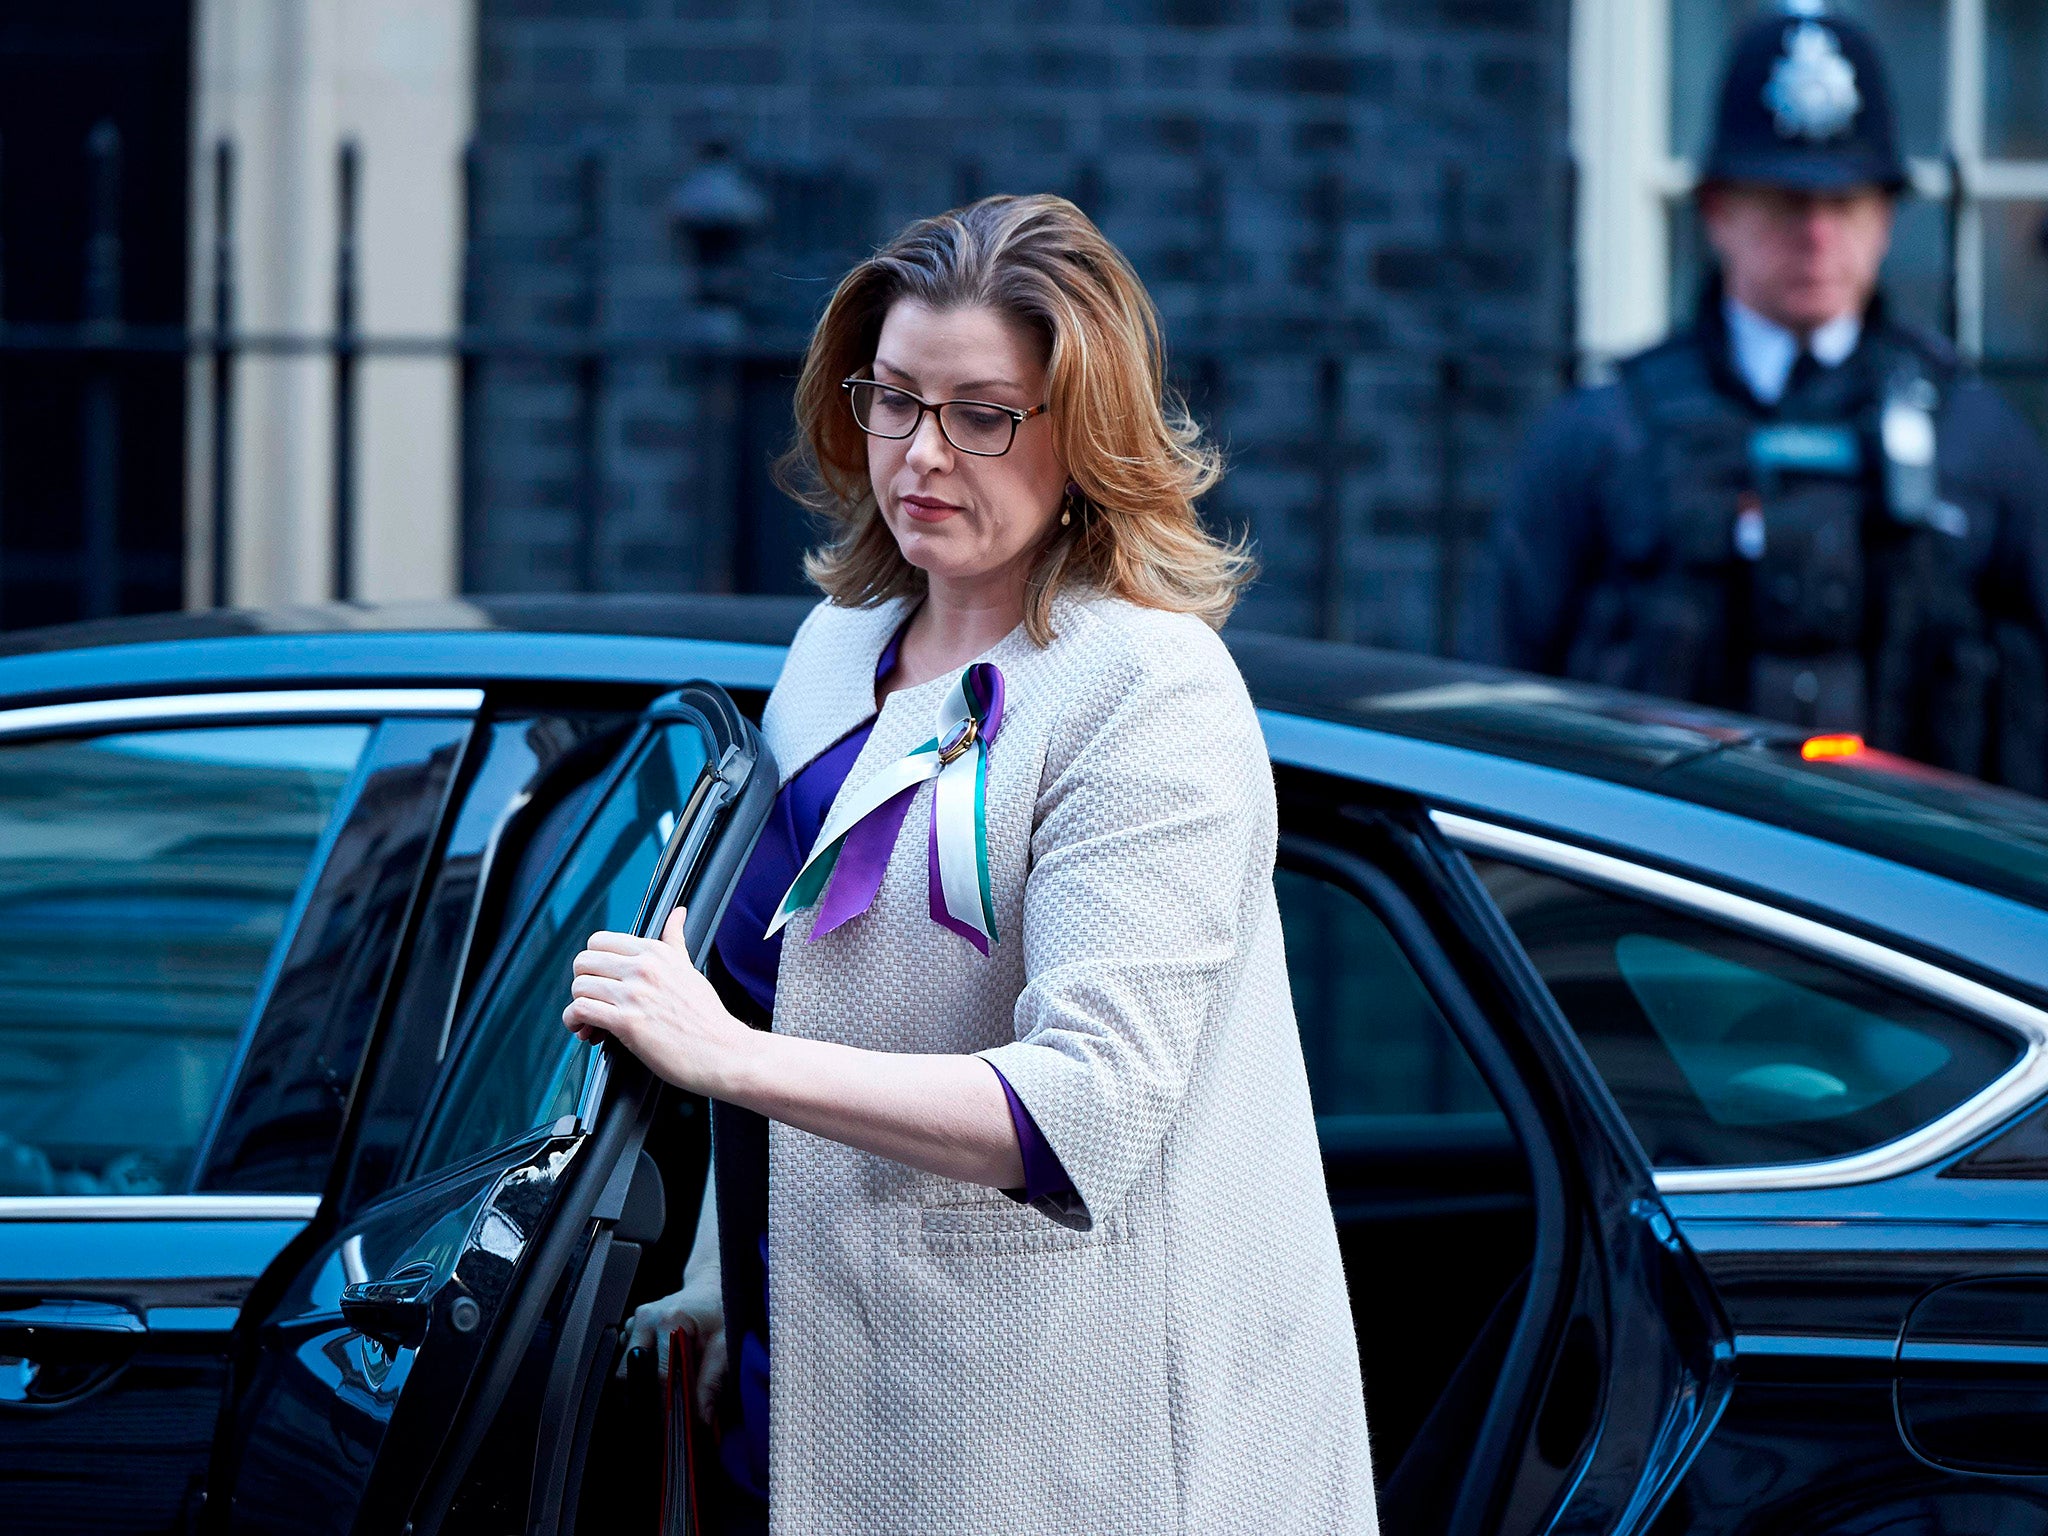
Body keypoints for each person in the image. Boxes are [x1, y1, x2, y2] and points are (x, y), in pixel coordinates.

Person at [563, 194, 1377, 1534]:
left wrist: (718, 1058)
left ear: (1086, 431)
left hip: (1066, 1437)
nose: (922, 454)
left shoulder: (1149, 688)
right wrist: (717, 1271)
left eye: (983, 414)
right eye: (892, 399)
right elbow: (788, 985)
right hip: (810, 1376)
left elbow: (1084, 1109)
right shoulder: (839, 641)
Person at [1479, 1, 2048, 790]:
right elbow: (1501, 711)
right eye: (1784, 202)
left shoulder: (1982, 446)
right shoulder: (1602, 439)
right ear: (1716, 210)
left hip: (1922, 896)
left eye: (1843, 204)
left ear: (1885, 218)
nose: (1816, 235)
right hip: (1655, 889)